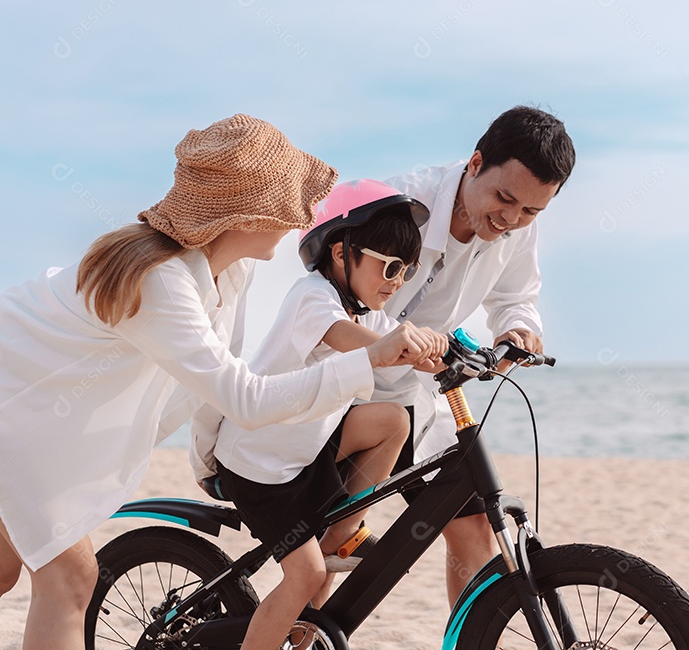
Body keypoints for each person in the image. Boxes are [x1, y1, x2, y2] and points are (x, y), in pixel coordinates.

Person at [0, 114, 434, 650]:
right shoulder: (162, 283)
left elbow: (218, 379)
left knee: (4, 570)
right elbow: (246, 399)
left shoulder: (230, 273)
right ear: (249, 215)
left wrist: (208, 461)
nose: (300, 216)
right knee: (69, 580)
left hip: (38, 414)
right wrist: (369, 361)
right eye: (287, 202)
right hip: (17, 407)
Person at [190, 179, 447, 650]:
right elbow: (344, 337)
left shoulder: (365, 308)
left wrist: (443, 350)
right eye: (390, 266)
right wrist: (398, 348)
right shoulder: (313, 297)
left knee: (394, 421)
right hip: (260, 465)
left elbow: (393, 337)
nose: (396, 282)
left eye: (407, 272)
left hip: (305, 448)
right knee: (304, 575)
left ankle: (340, 535)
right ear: (339, 252)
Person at [378, 105, 575, 604]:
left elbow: (516, 297)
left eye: (531, 211)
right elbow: (333, 303)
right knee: (325, 544)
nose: (511, 219)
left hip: (425, 385)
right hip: (345, 380)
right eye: (504, 197)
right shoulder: (401, 207)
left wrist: (519, 330)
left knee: (472, 529)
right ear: (475, 162)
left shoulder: (517, 226)